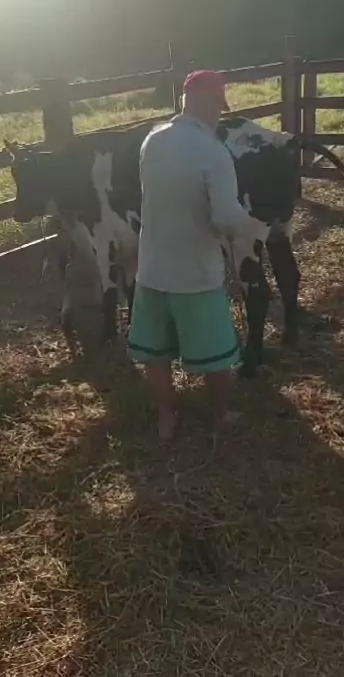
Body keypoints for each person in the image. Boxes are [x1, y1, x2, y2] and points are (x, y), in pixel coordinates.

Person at [128, 70, 270, 440]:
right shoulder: (213, 151)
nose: (219, 116)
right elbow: (225, 217)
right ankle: (221, 414)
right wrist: (256, 228)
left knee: (156, 352)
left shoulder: (152, 140)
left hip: (152, 265)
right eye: (219, 107)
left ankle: (166, 416)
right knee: (216, 352)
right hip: (194, 270)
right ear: (209, 104)